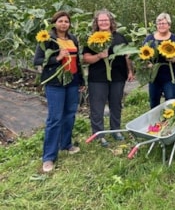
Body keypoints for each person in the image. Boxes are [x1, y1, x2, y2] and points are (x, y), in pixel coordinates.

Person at [33, 11, 85, 173]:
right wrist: (57, 58)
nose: (64, 24)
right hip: (55, 83)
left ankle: (66, 144)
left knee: (69, 114)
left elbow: (78, 62)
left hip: (72, 82)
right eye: (60, 21)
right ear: (54, 23)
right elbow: (37, 61)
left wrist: (81, 81)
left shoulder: (73, 39)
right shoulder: (47, 40)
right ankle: (48, 157)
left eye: (66, 21)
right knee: (54, 118)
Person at [83, 9, 135, 147]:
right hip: (98, 78)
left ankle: (116, 130)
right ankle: (99, 134)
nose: (104, 22)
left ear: (111, 21)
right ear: (96, 23)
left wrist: (130, 70)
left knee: (116, 104)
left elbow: (127, 55)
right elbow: (86, 58)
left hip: (118, 77)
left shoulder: (119, 37)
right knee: (97, 107)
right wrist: (99, 56)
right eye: (101, 20)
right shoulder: (92, 38)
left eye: (106, 20)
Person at [143, 13, 175, 109]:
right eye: (159, 23)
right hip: (154, 77)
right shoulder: (149, 39)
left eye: (163, 23)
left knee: (170, 100)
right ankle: (155, 123)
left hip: (170, 77)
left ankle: (169, 121)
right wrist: (147, 64)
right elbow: (143, 56)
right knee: (154, 101)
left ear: (169, 25)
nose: (161, 25)